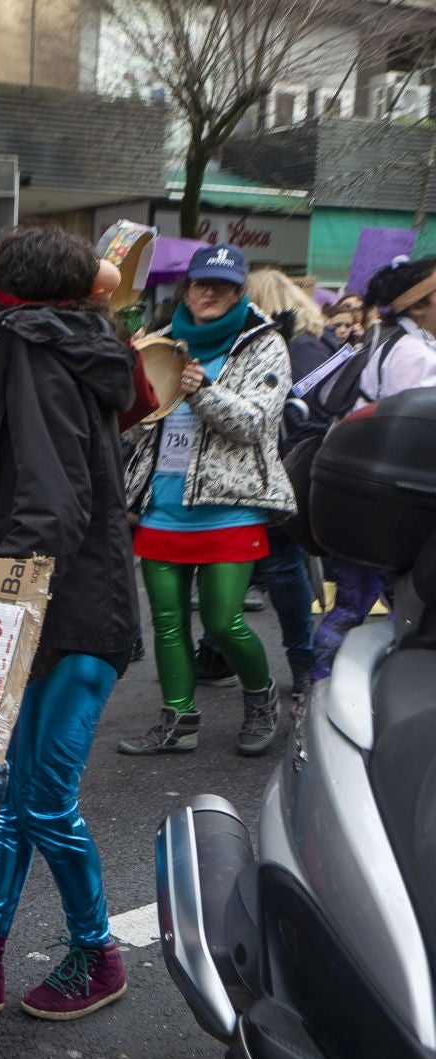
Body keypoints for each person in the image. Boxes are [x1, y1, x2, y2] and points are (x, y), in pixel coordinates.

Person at [0, 226, 140, 1021]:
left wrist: (1, 602)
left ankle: (99, 952)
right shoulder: (53, 342)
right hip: (54, 604)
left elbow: (52, 501)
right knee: (9, 794)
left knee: (43, 797)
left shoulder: (27, 345)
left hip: (69, 613)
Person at [119, 244, 295, 757]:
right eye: (202, 284)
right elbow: (137, 428)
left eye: (223, 285)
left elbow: (255, 423)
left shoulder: (263, 343)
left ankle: (261, 698)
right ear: (187, 289)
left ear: (240, 291)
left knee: (223, 621)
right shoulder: (163, 340)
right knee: (167, 622)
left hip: (229, 505)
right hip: (163, 506)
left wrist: (203, 391)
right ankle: (179, 721)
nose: (211, 293)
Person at [187, 269, 325, 702]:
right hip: (291, 470)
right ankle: (234, 656)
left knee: (276, 569)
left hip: (267, 472)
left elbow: (260, 417)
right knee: (258, 570)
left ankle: (298, 662)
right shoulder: (314, 345)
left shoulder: (274, 344)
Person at [311, 256, 436, 682]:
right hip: (387, 506)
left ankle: (318, 692)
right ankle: (338, 697)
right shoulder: (415, 353)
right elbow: (421, 437)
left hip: (355, 496)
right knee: (400, 611)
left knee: (355, 604)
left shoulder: (383, 338)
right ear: (418, 306)